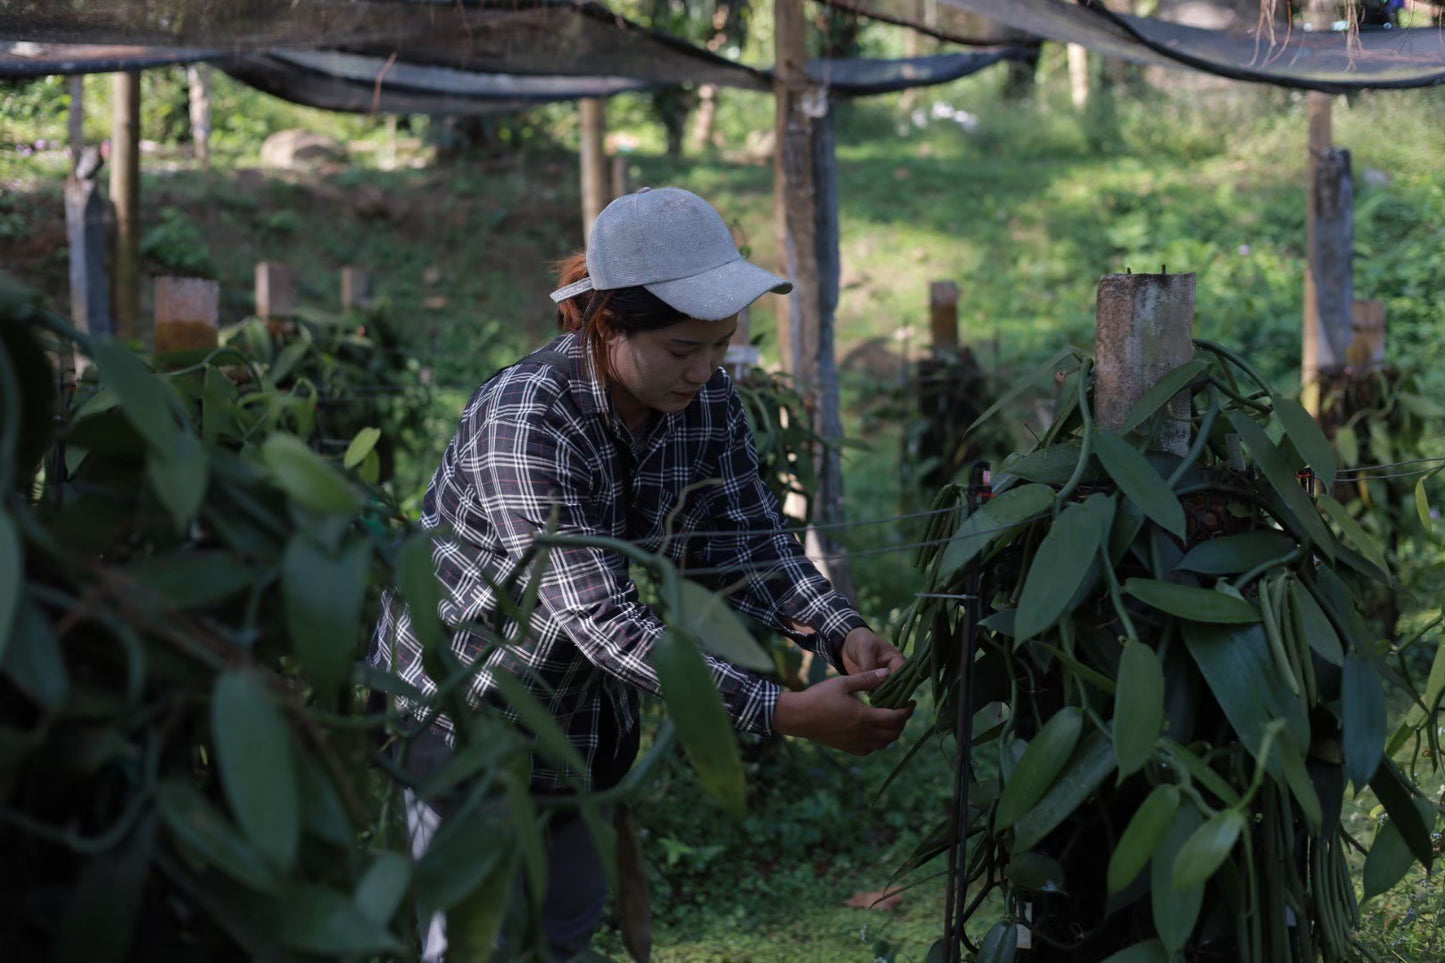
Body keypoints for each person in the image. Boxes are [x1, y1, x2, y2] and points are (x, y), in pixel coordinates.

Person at [371, 187, 913, 961]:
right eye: (682, 349)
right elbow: (598, 617)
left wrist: (839, 628)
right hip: (464, 710)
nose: (703, 370)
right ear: (607, 327)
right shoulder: (528, 417)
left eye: (719, 345)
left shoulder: (706, 403)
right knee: (475, 941)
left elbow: (750, 540)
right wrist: (783, 711)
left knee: (563, 928)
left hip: (580, 719)